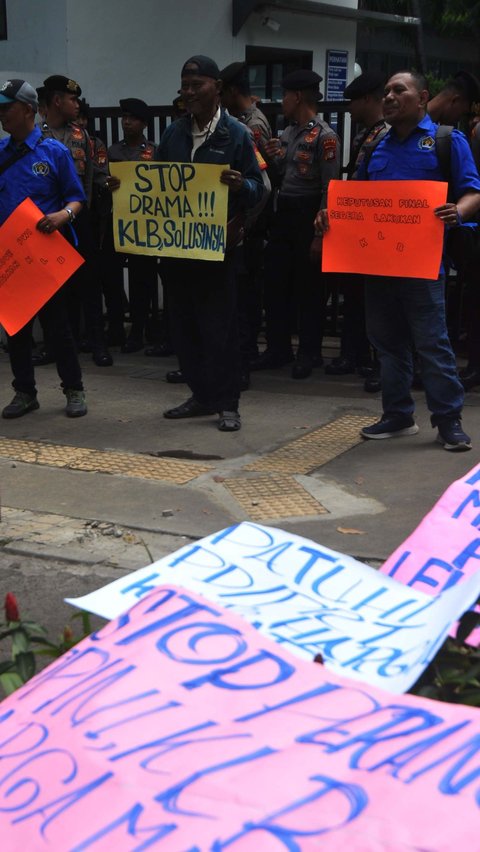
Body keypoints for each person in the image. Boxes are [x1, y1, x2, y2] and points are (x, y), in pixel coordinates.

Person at [318, 70, 480, 451]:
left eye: (398, 90)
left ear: (422, 98)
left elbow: (474, 191)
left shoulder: (445, 141)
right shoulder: (376, 147)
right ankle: (397, 415)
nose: (389, 97)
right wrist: (327, 214)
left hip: (424, 268)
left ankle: (448, 421)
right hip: (379, 264)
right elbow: (353, 198)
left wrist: (458, 210)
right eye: (386, 92)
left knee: (432, 344)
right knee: (388, 344)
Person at [157, 55, 265, 432]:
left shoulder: (236, 135)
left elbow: (260, 188)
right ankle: (201, 396)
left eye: (196, 85)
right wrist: (123, 190)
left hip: (217, 251)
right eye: (184, 86)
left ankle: (228, 403)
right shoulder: (173, 135)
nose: (189, 93)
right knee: (184, 330)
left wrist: (241, 186)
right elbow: (154, 183)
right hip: (177, 251)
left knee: (219, 330)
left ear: (216, 88)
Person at [0, 79, 87, 419]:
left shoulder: (55, 152)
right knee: (17, 329)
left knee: (57, 327)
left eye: (7, 107)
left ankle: (74, 389)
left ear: (28, 110)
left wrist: (62, 216)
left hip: (44, 254)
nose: (2, 114)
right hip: (12, 257)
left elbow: (76, 198)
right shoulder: (3, 154)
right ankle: (24, 392)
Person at [251, 70, 340, 380]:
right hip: (284, 213)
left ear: (298, 97)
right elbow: (279, 176)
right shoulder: (287, 133)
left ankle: (309, 352)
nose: (282, 102)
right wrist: (269, 156)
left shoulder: (326, 136)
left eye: (285, 96)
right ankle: (278, 348)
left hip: (308, 215)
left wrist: (319, 234)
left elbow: (330, 188)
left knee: (309, 289)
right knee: (275, 284)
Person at [42, 74, 113, 367]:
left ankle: (97, 344)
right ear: (57, 101)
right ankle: (56, 346)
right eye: (72, 99)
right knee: (54, 287)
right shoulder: (37, 138)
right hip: (47, 224)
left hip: (79, 220)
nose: (77, 104)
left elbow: (96, 175)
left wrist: (111, 182)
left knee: (89, 284)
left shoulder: (83, 137)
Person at [323, 70, 387, 384]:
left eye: (352, 102)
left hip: (378, 231)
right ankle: (354, 353)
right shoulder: (365, 135)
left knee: (376, 300)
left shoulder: (385, 135)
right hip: (359, 229)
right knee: (355, 295)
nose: (349, 109)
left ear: (366, 100)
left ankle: (376, 361)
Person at [220, 61, 272, 388]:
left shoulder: (250, 126)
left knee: (243, 297)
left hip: (246, 224)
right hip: (232, 224)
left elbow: (263, 181)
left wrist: (244, 223)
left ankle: (244, 359)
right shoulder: (238, 121)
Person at [105, 97, 159, 352]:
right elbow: (104, 183)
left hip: (145, 226)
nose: (127, 122)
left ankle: (139, 329)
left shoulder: (154, 151)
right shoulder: (113, 151)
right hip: (120, 222)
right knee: (112, 276)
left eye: (133, 118)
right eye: (124, 117)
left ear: (144, 124)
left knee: (142, 279)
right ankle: (116, 327)